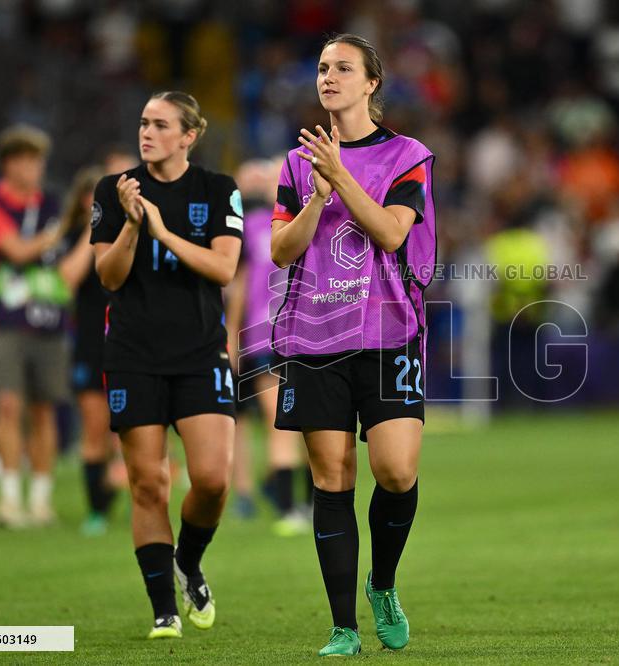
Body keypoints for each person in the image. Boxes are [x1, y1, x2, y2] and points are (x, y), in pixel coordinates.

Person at [269, 33, 435, 657]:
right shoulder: (293, 164)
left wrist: (339, 174)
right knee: (331, 477)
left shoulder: (408, 155)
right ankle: (343, 627)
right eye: (321, 68)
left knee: (395, 471)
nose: (328, 77)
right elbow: (281, 250)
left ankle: (382, 584)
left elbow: (394, 234)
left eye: (343, 68)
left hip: (391, 335)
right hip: (315, 337)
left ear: (371, 84)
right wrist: (315, 199)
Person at [90, 91, 242, 639]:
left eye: (159, 124)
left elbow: (223, 269)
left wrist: (162, 230)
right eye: (143, 122)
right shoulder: (114, 190)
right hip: (133, 355)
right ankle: (163, 610)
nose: (146, 133)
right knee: (149, 483)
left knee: (212, 480)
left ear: (189, 136)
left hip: (201, 353)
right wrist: (131, 225)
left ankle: (189, 562)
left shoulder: (217, 189)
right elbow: (107, 277)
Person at [0, 125, 72, 528]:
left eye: (40, 160)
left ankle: (41, 500)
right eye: (30, 159)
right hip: (9, 322)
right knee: (9, 405)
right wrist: (62, 231)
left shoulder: (51, 203)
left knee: (44, 409)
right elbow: (15, 250)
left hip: (50, 320)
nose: (37, 168)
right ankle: (10, 497)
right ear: (9, 163)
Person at [225, 158, 309, 533]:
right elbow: (240, 287)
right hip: (266, 335)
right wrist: (232, 337)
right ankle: (290, 507)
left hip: (309, 334)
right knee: (283, 423)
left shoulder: (312, 219)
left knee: (312, 426)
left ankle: (304, 504)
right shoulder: (253, 227)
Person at [60, 165, 120, 537]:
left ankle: (116, 489)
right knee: (94, 428)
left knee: (130, 428)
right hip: (90, 343)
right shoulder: (72, 237)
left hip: (128, 340)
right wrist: (91, 229)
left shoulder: (127, 232)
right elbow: (67, 278)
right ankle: (96, 509)